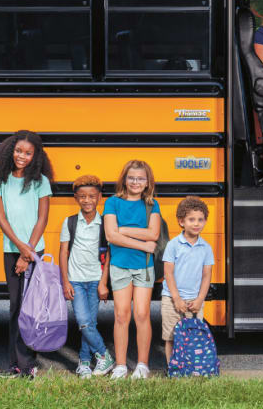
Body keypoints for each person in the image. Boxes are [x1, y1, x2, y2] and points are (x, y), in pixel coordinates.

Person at [0, 130, 54, 379]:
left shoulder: (41, 182)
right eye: (18, 151)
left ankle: (28, 364)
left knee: (32, 308)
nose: (22, 156)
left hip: (34, 252)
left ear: (35, 156)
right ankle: (14, 364)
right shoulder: (1, 180)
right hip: (11, 250)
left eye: (28, 153)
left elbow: (42, 218)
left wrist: (28, 253)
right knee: (16, 306)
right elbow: (1, 219)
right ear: (10, 151)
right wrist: (20, 248)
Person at [102, 160, 160, 379]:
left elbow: (153, 234)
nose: (136, 182)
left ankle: (142, 365)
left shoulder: (151, 205)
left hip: (144, 267)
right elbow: (110, 236)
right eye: (132, 177)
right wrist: (142, 243)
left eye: (141, 178)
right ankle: (120, 365)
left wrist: (123, 230)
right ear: (124, 179)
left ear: (147, 182)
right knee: (121, 315)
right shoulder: (113, 202)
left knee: (142, 314)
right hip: (120, 265)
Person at [59, 174, 116, 378]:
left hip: (95, 280)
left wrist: (103, 283)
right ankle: (104, 355)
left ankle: (84, 363)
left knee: (89, 323)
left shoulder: (105, 223)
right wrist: (65, 281)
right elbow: (63, 252)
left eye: (92, 196)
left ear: (99, 197)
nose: (87, 200)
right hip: (75, 279)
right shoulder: (70, 222)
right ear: (76, 198)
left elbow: (108, 254)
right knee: (83, 321)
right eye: (82, 196)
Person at [161, 196, 214, 364]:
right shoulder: (173, 245)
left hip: (194, 300)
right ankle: (173, 368)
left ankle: (191, 366)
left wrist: (200, 300)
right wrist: (176, 298)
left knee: (194, 335)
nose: (196, 223)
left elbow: (207, 276)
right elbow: (168, 273)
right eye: (191, 219)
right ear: (181, 221)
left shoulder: (206, 248)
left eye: (200, 219)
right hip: (172, 298)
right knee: (170, 336)